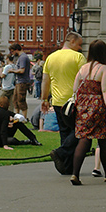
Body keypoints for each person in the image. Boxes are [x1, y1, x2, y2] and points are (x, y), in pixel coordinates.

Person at [70, 39, 106, 185]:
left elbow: (75, 88)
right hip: (98, 106)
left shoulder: (83, 68)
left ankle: (75, 174)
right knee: (104, 139)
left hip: (82, 106)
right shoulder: (104, 69)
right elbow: (105, 90)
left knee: (84, 138)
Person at [41, 31, 86, 175]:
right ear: (71, 41)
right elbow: (85, 80)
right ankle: (61, 153)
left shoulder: (51, 58)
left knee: (65, 132)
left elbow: (45, 80)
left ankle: (67, 167)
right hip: (74, 100)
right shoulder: (78, 57)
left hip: (58, 101)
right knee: (79, 131)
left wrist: (44, 99)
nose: (80, 48)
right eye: (79, 44)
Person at [10, 43, 32, 118]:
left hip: (22, 82)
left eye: (12, 51)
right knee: (15, 100)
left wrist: (13, 71)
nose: (12, 53)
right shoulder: (21, 57)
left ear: (16, 50)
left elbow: (22, 70)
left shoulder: (23, 57)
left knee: (21, 100)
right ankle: (17, 116)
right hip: (18, 81)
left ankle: (24, 118)